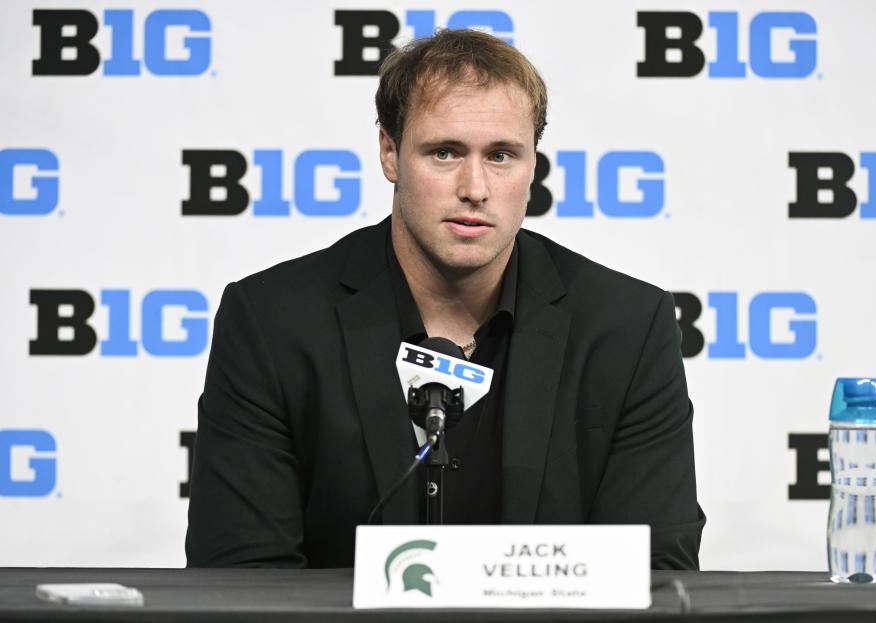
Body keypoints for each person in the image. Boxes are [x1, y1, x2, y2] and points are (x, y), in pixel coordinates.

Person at [185, 28, 705, 570]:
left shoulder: (627, 327)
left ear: (533, 164)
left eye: (502, 155)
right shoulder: (272, 321)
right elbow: (240, 573)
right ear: (389, 152)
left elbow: (654, 573)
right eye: (445, 152)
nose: (475, 187)